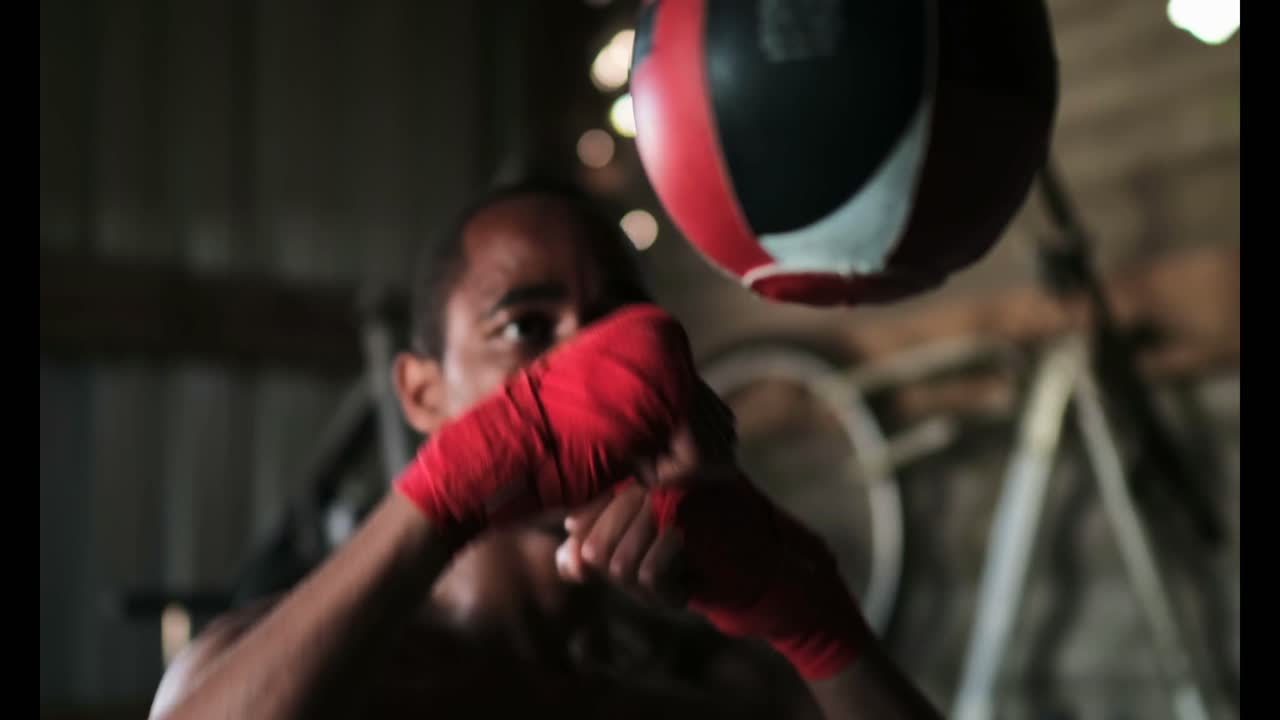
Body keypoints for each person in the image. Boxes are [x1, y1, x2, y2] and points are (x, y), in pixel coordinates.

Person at [148, 180, 943, 719]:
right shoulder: (335, 674)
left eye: (615, 325)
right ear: (424, 394)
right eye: (526, 326)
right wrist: (447, 493)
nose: (587, 360)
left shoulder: (717, 683)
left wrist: (813, 619)